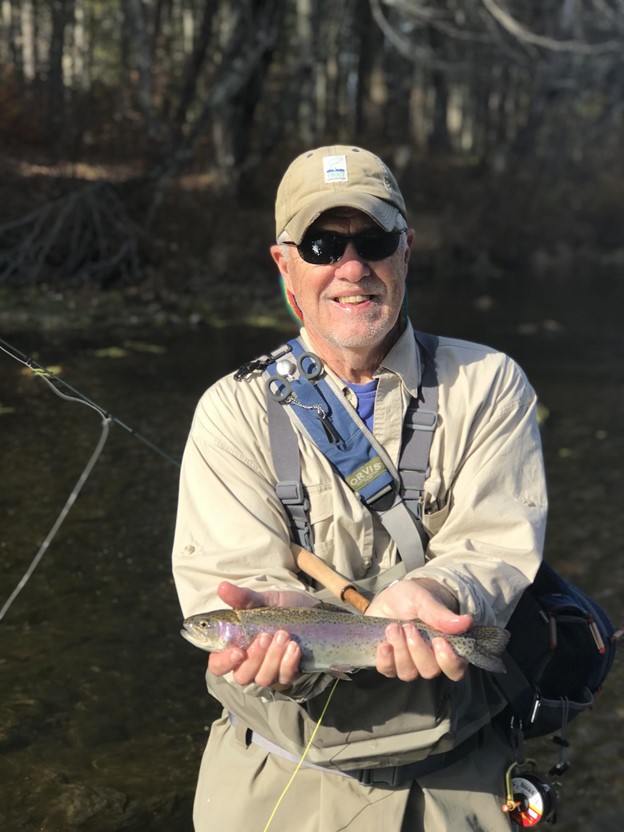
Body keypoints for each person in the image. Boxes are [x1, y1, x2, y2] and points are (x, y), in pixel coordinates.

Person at [172, 145, 547, 831]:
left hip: (455, 777)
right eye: (322, 244)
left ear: (405, 251)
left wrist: (439, 591)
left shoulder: (488, 383)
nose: (351, 268)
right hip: (276, 776)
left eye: (372, 241)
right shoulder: (232, 410)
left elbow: (496, 544)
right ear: (285, 264)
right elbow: (225, 578)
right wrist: (275, 642)